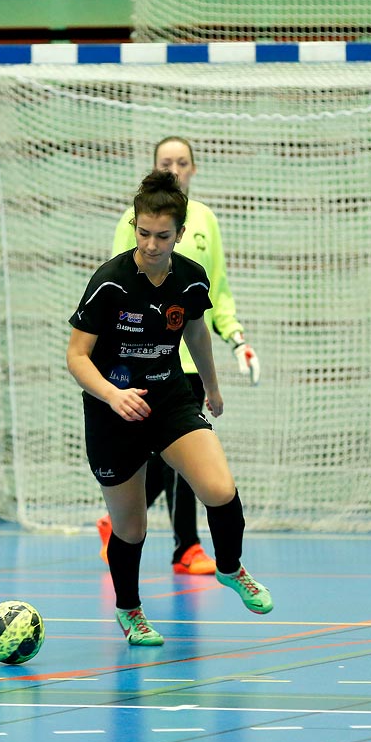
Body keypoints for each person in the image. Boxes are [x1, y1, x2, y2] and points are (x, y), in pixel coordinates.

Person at [67, 169, 272, 646]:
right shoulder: (111, 283)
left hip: (169, 395)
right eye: (143, 233)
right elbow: (76, 356)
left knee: (219, 487)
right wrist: (112, 395)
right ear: (134, 226)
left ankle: (230, 567)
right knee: (131, 526)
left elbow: (197, 331)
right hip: (112, 409)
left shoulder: (190, 279)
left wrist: (213, 388)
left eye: (163, 236)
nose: (152, 244)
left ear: (180, 234)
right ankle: (130, 610)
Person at [97, 136, 260, 576]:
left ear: (193, 168)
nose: (174, 169)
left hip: (188, 361)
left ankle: (184, 544)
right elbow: (122, 289)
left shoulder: (206, 220)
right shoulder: (132, 226)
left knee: (188, 455)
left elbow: (215, 294)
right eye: (165, 162)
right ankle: (163, 538)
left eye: (181, 162)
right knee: (161, 460)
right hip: (142, 362)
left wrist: (236, 338)